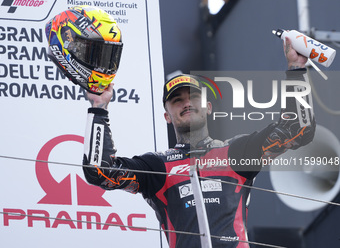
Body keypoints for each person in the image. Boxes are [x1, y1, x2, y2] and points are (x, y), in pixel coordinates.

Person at [82, 37, 315, 247]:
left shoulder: (235, 151)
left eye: (194, 96)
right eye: (177, 100)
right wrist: (99, 108)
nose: (187, 103)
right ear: (167, 115)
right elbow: (101, 172)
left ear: (209, 108)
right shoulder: (157, 166)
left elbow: (297, 129)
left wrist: (296, 69)